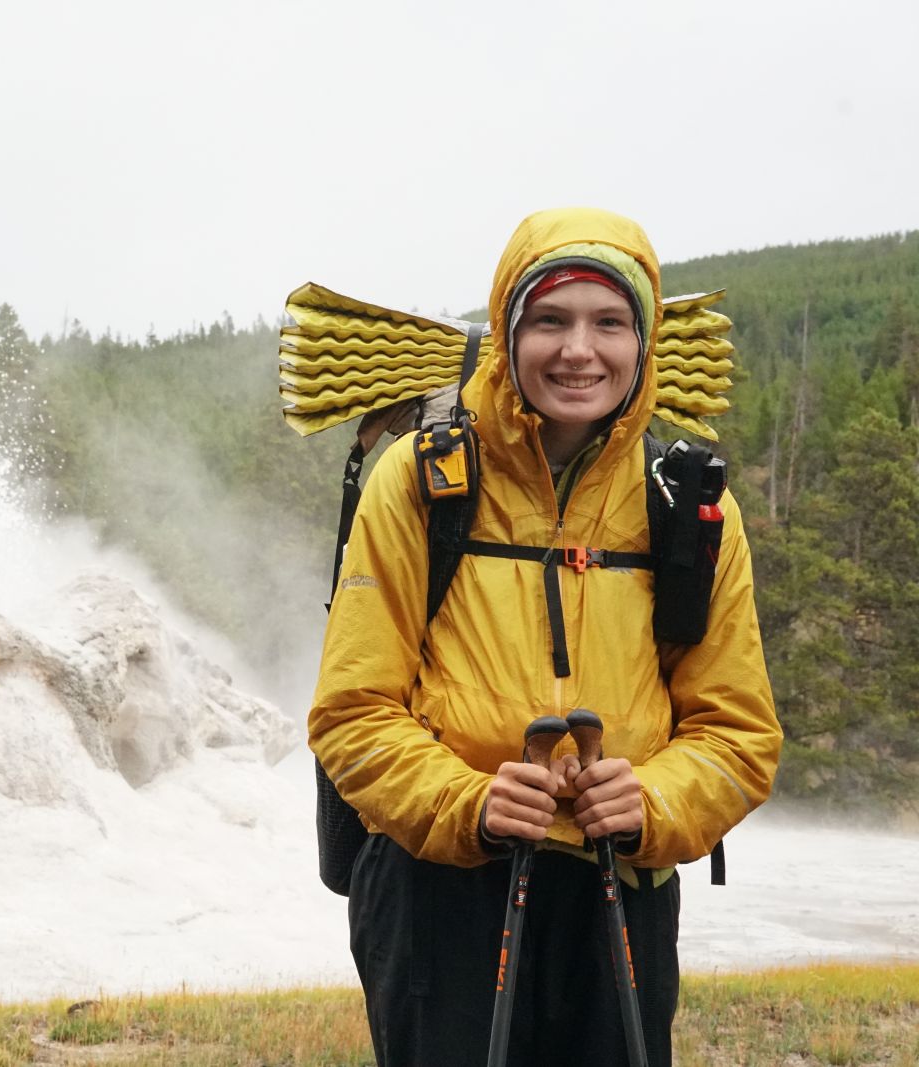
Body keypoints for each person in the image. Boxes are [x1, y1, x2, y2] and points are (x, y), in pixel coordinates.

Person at [308, 207, 782, 1067]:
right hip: (435, 889)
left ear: (643, 343)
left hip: (618, 883)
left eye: (609, 322)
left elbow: (738, 733)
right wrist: (467, 802)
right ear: (507, 329)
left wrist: (657, 802)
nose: (579, 350)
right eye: (550, 320)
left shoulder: (691, 511)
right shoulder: (419, 482)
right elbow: (352, 712)